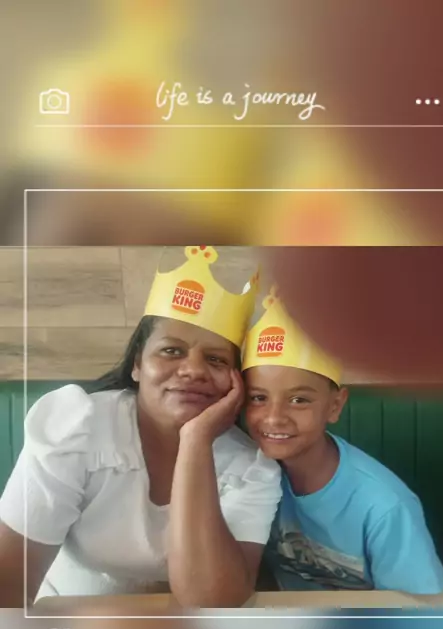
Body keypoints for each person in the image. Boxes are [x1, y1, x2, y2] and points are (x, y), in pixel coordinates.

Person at [0, 246, 281, 607]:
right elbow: (10, 581)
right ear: (137, 364)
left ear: (235, 382)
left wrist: (195, 442)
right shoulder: (76, 427)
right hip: (67, 615)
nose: (193, 370)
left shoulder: (252, 467)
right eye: (172, 351)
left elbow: (214, 603)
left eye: (215, 359)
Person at [242, 288, 443, 594]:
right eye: (258, 398)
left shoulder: (385, 507)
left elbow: (417, 611)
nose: (274, 418)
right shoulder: (246, 474)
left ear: (335, 405)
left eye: (299, 400)